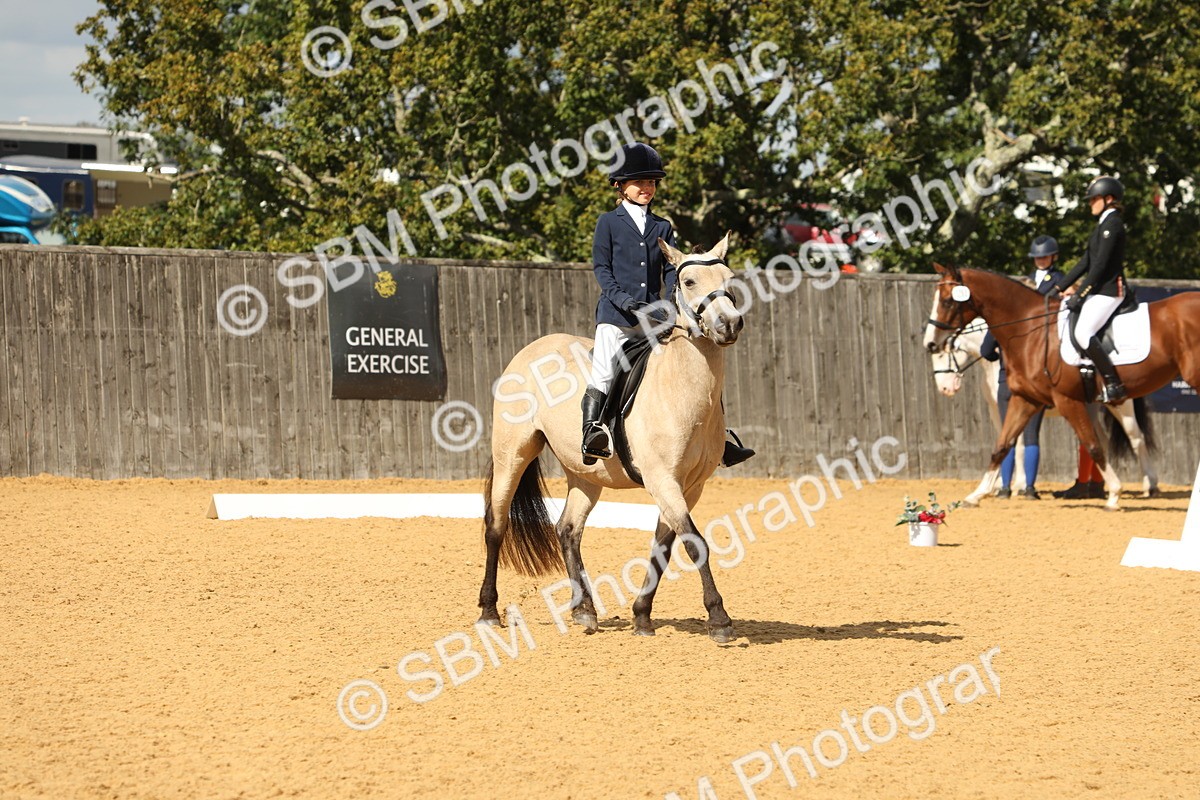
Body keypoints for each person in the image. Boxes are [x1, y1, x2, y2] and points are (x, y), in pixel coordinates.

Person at [582, 141, 754, 468]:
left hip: (655, 318)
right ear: (620, 185)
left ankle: (720, 437)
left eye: (652, 182)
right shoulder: (608, 222)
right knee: (604, 368)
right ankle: (592, 431)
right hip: (617, 316)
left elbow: (671, 270)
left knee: (698, 368)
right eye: (640, 182)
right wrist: (625, 301)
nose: (647, 188)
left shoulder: (663, 226)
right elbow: (602, 270)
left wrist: (675, 302)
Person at [979, 234, 1064, 499]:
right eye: (1037, 257)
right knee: (1022, 435)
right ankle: (1020, 487)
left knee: (1016, 434)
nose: (1040, 260)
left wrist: (1001, 356)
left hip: (1018, 375)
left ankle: (1015, 487)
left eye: (1044, 256)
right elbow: (984, 351)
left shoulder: (1059, 281)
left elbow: (986, 350)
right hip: (1026, 376)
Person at [1055, 176, 1129, 404]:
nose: (1090, 203)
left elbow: (1100, 266)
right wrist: (1059, 286)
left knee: (1083, 333)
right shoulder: (1102, 226)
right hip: (1099, 290)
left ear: (1109, 199)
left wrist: (1080, 294)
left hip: (1109, 291)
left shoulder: (1113, 224)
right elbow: (1085, 262)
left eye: (1094, 199)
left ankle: (1114, 383)